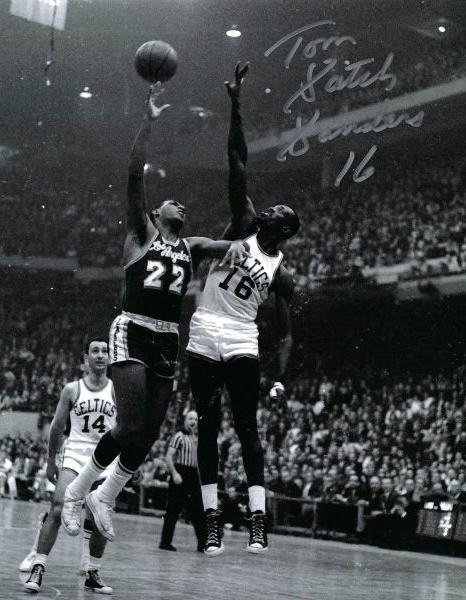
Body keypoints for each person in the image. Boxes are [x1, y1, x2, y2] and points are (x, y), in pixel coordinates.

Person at [61, 85, 246, 544]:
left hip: (167, 336)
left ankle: (105, 497)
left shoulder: (193, 246)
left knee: (148, 433)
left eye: (182, 204)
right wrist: (147, 121)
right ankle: (77, 493)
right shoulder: (142, 233)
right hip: (133, 328)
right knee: (128, 425)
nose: (179, 204)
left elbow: (235, 241)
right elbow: (133, 175)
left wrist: (252, 242)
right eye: (171, 202)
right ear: (157, 213)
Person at [186, 63, 300, 556]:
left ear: (285, 229)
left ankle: (257, 519)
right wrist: (236, 104)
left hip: (240, 334)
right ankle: (211, 520)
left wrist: (281, 377)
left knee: (247, 425)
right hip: (205, 326)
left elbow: (287, 333)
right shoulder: (243, 223)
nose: (268, 209)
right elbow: (238, 159)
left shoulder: (282, 273)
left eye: (278, 212)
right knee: (208, 424)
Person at [23, 339, 115, 594]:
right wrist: (51, 460)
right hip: (75, 454)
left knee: (100, 514)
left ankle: (93, 572)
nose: (100, 355)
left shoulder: (117, 390)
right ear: (86, 358)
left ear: (109, 358)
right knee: (57, 506)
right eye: (95, 351)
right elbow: (56, 428)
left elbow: (126, 428)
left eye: (105, 351)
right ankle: (38, 566)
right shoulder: (72, 389)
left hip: (104, 457)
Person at [159, 410, 205, 552]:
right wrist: (174, 473)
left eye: (196, 420)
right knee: (173, 510)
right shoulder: (179, 436)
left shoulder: (196, 438)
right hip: (181, 472)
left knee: (198, 510)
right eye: (191, 419)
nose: (193, 422)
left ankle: (202, 543)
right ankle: (165, 542)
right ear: (185, 420)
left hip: (193, 475)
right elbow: (168, 457)